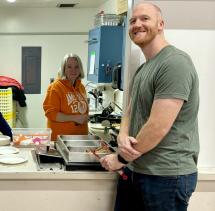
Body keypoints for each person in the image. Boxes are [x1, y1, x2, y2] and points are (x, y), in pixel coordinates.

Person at [99, 3, 199, 211]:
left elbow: (157, 126)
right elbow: (130, 109)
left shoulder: (175, 63)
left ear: (161, 24)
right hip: (137, 169)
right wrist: (122, 135)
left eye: (145, 19)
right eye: (133, 20)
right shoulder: (144, 69)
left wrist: (120, 158)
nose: (137, 24)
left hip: (165, 176)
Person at [43, 53, 89, 141]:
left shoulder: (81, 87)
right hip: (61, 141)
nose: (73, 70)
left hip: (80, 139)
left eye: (76, 67)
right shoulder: (55, 87)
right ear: (63, 69)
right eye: (69, 67)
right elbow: (51, 114)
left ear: (80, 69)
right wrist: (75, 118)